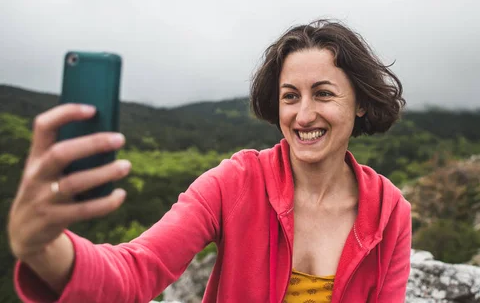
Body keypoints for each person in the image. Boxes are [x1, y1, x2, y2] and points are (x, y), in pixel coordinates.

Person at [8, 20, 412, 303]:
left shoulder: (389, 211)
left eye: (323, 93)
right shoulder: (234, 183)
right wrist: (42, 247)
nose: (302, 115)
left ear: (359, 103)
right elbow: (137, 271)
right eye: (290, 96)